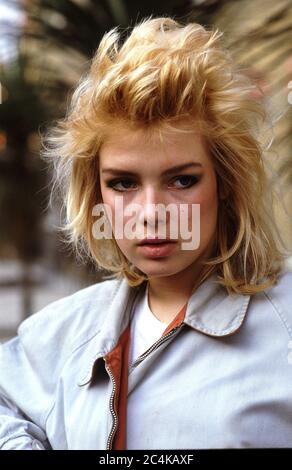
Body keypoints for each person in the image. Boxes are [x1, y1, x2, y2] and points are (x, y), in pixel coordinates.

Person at [0, 16, 291, 451]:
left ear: (224, 183)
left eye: (182, 180)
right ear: (95, 192)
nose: (152, 214)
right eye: (123, 183)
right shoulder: (67, 329)